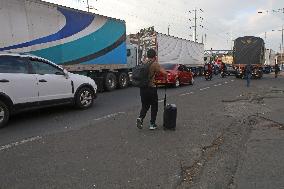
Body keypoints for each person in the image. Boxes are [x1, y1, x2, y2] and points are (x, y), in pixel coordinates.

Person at [136, 49, 167, 130]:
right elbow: (164, 73)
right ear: (155, 56)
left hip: (142, 89)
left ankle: (141, 118)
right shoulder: (155, 64)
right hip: (151, 88)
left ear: (147, 55)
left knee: (145, 105)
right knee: (154, 105)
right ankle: (152, 124)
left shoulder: (143, 63)